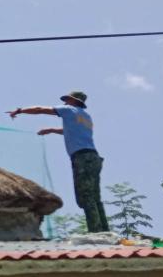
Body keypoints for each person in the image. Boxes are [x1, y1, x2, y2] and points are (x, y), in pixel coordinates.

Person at [8, 91, 109, 233]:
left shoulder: (68, 110)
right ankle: (104, 230)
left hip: (81, 158)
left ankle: (96, 231)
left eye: (67, 100)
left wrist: (20, 110)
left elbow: (40, 109)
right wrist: (51, 130)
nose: (65, 102)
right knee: (95, 197)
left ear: (73, 101)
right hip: (94, 158)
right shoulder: (86, 117)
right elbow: (71, 130)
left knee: (85, 197)